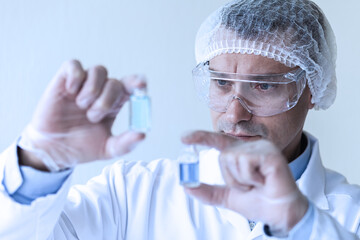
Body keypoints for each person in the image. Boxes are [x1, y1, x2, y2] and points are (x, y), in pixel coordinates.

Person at [1, 0, 360, 239]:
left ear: (311, 89)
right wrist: (39, 163)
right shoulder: (131, 194)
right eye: (221, 83)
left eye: (263, 86)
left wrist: (305, 225)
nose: (234, 113)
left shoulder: (351, 216)